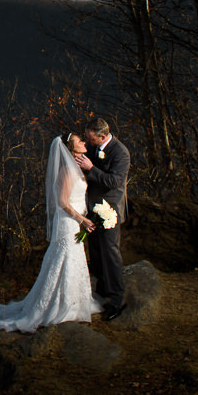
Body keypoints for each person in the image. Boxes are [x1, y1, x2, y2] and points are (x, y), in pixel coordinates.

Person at [0, 134, 103, 332]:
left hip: (74, 221)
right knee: (66, 257)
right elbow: (62, 202)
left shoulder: (75, 168)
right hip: (69, 221)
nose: (84, 143)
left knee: (70, 258)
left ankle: (73, 303)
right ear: (72, 148)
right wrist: (82, 219)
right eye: (80, 141)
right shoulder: (68, 171)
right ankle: (60, 305)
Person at [74, 117, 130, 321]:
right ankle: (102, 290)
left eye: (91, 139)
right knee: (96, 252)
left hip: (110, 211)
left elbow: (114, 182)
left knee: (110, 253)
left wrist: (91, 169)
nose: (88, 142)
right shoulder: (92, 146)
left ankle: (117, 299)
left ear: (103, 136)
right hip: (92, 209)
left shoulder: (120, 153)